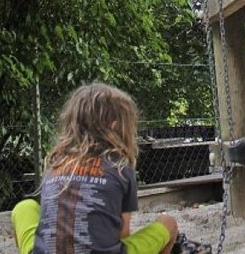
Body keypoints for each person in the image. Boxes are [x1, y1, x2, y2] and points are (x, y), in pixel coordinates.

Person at [11, 83, 209, 254]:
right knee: (168, 223)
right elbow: (122, 234)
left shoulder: (56, 164)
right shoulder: (120, 168)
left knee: (24, 208)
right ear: (115, 126)